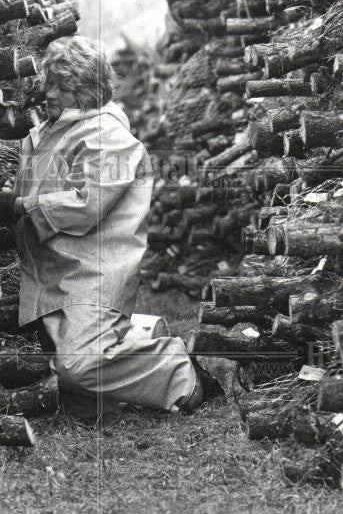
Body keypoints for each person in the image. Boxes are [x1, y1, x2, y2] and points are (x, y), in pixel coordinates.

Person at [13, 35, 220, 414]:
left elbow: (87, 202)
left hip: (93, 272)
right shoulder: (57, 129)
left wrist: (22, 208)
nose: (50, 93)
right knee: (72, 370)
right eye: (50, 83)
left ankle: (179, 371)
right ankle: (133, 344)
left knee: (79, 364)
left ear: (87, 89)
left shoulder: (107, 137)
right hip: (59, 267)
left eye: (63, 86)